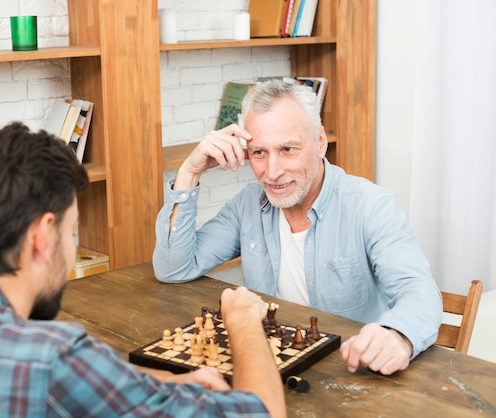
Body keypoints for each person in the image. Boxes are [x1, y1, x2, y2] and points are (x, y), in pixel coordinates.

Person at [0, 122, 286, 417]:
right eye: (72, 233)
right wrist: (245, 321)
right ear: (41, 238)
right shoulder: (51, 360)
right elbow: (260, 412)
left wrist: (159, 385)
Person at [153, 79, 443, 376]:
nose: (273, 173)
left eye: (288, 149)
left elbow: (418, 291)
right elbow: (173, 267)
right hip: (271, 368)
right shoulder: (247, 204)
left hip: (348, 373)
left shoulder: (371, 206)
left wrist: (398, 336)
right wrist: (189, 172)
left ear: (319, 142)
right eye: (259, 153)